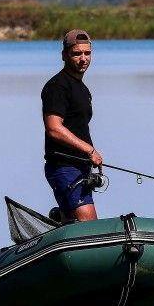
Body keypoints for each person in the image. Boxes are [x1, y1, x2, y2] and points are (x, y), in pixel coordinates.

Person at [42, 29, 103, 222]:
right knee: (89, 225)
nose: (83, 58)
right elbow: (53, 128)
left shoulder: (82, 88)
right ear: (64, 55)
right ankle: (63, 217)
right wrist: (89, 150)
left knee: (75, 223)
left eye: (87, 53)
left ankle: (61, 218)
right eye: (77, 53)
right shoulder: (57, 86)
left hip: (81, 167)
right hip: (64, 167)